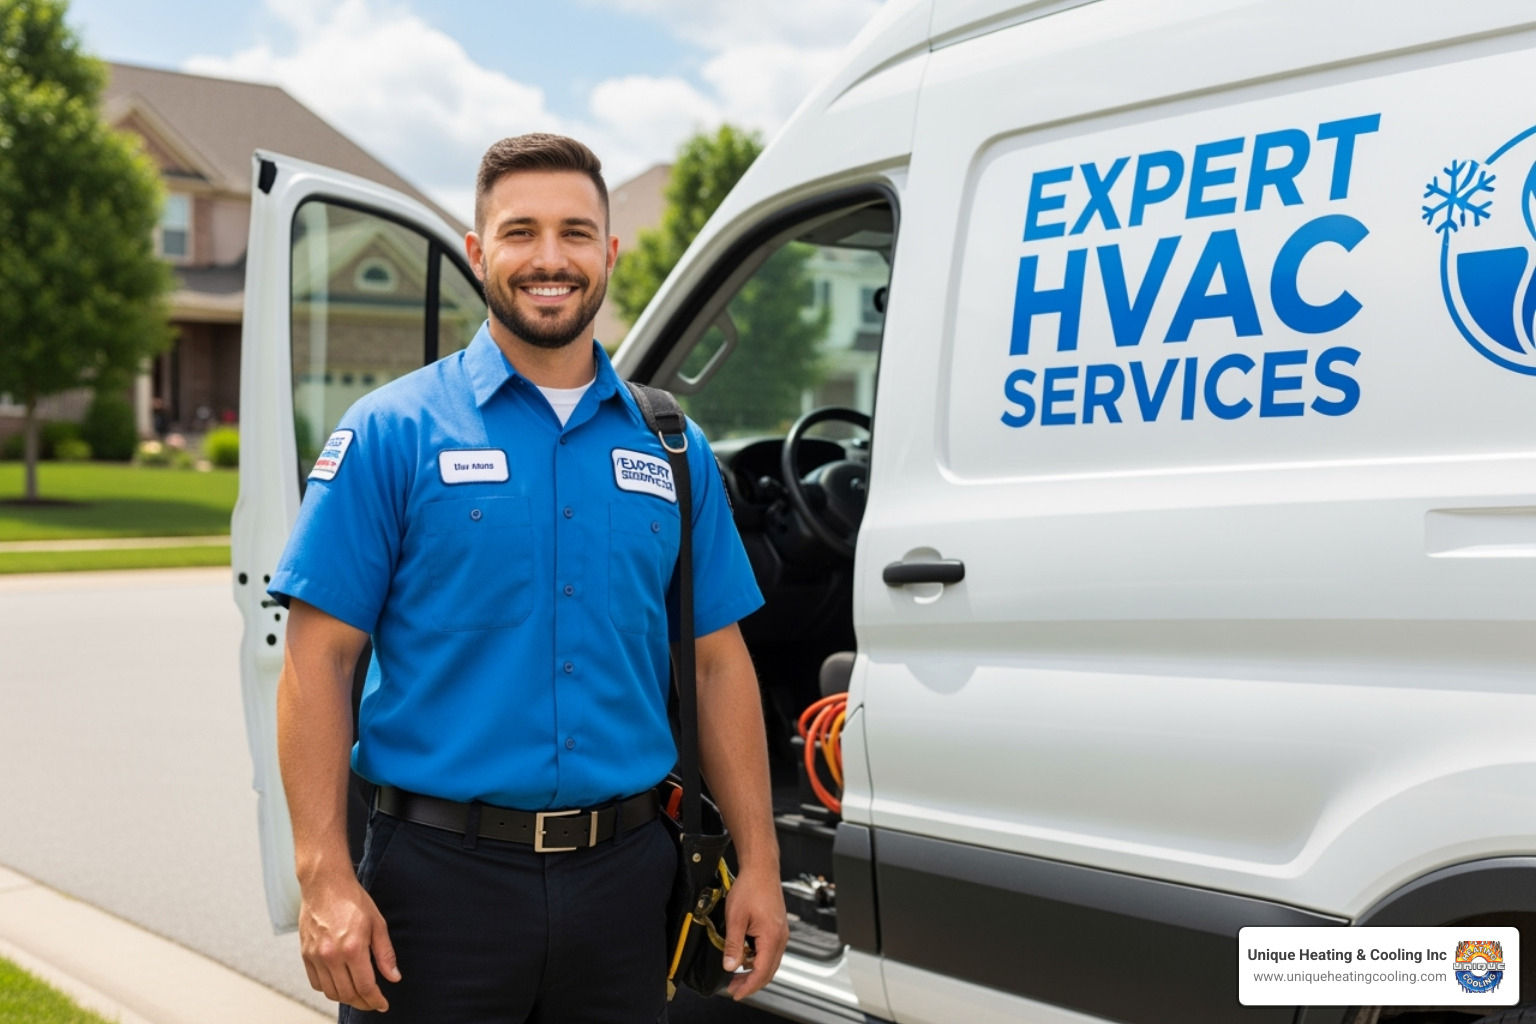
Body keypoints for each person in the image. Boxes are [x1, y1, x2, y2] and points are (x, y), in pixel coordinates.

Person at [268, 133, 788, 1023]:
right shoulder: (395, 432)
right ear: (478, 253)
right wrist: (324, 877)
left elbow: (717, 664)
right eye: (521, 232)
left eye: (576, 233)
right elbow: (317, 664)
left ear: (609, 254)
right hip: (434, 891)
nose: (551, 259)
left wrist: (762, 866)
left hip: (627, 885)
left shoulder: (671, 447)